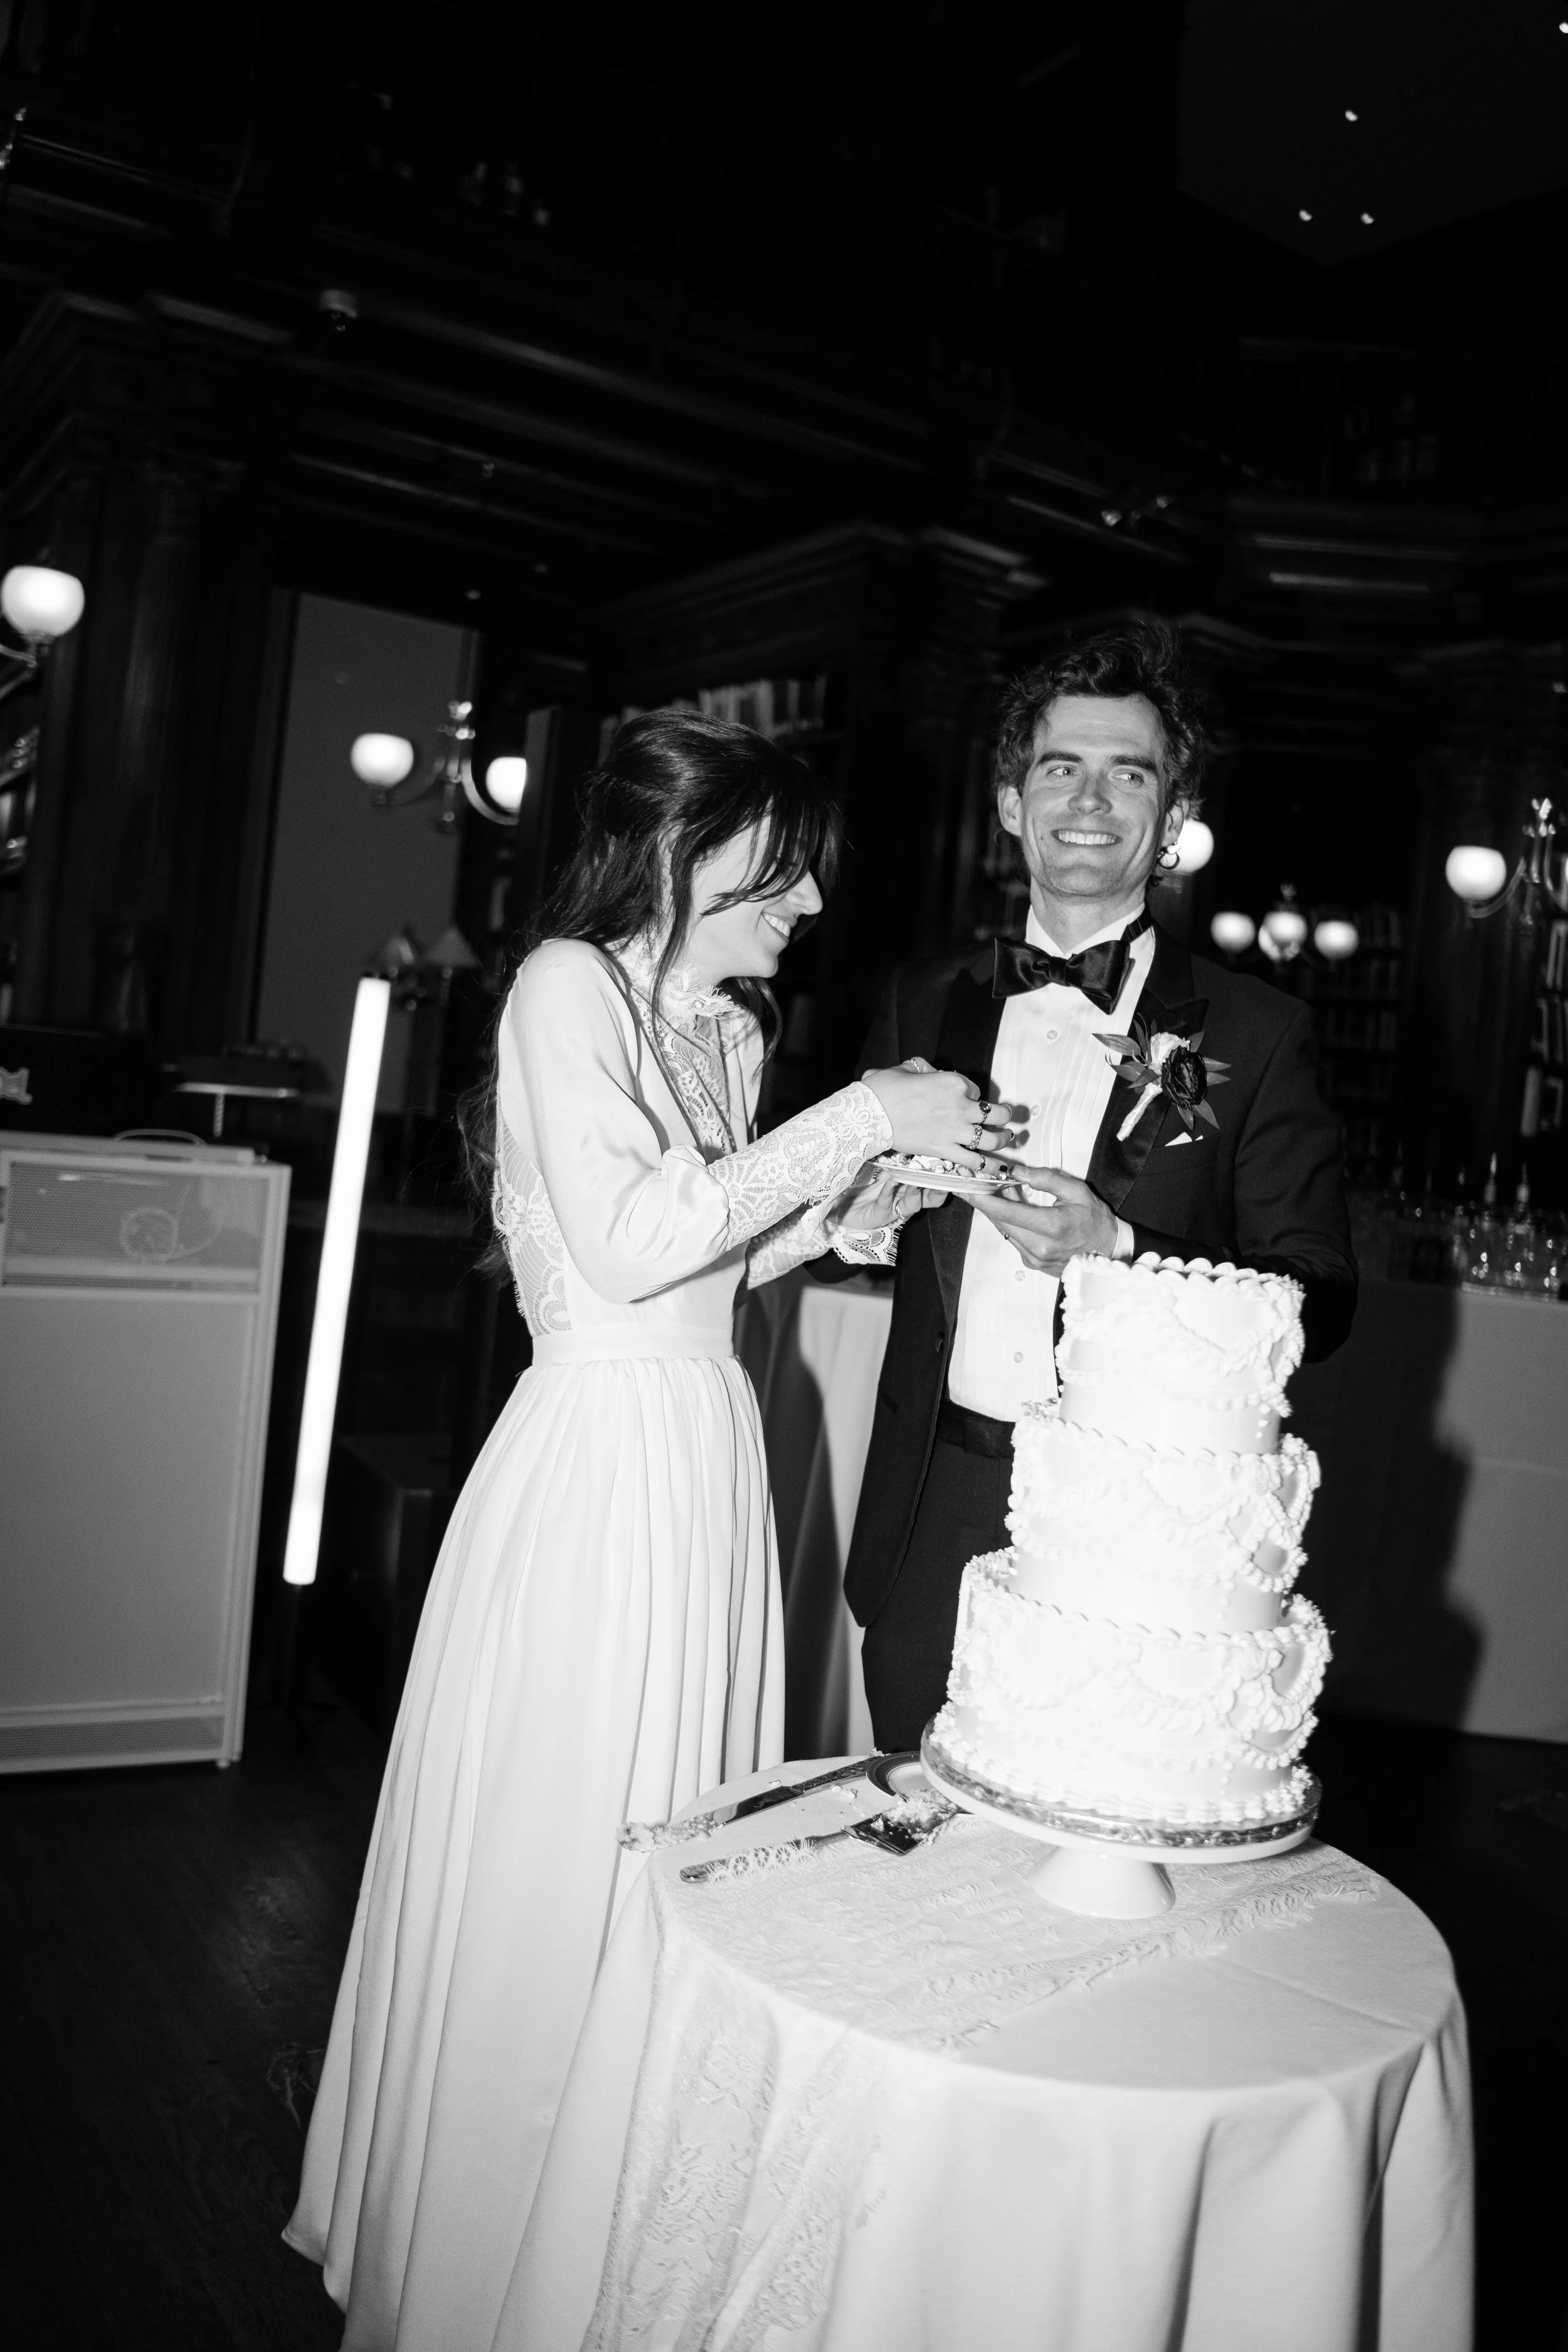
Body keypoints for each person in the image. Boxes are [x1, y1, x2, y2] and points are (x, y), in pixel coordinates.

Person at [283, 711, 1014, 2352]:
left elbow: (709, 1264)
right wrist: (858, 1111)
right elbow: (614, 1251)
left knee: (680, 1847)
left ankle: (623, 2245)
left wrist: (847, 1206)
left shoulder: (726, 1029)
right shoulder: (562, 984)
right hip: (597, 1466)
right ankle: (487, 2251)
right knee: (569, 1850)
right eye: (785, 863)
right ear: (687, 849)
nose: (809, 899)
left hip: (706, 1455)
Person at [827, 617, 1358, 1752]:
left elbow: (1321, 1296)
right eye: (1061, 767)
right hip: (937, 1497)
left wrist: (1121, 1249)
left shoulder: (1254, 1036)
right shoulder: (925, 1000)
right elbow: (861, 1226)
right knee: (911, 1842)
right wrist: (862, 1220)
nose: (1091, 799)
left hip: (1133, 1516)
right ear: (1013, 802)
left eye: (1132, 775)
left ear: (1171, 826)